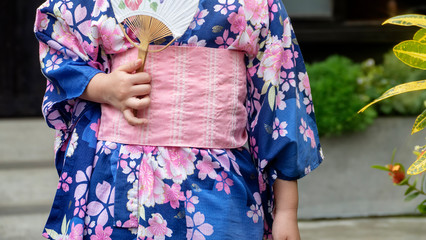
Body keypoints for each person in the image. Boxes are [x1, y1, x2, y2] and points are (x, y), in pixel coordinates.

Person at [34, 0, 323, 239]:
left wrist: (286, 211)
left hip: (219, 177)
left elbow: (280, 99)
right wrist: (105, 88)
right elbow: (61, 48)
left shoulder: (255, 4)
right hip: (121, 175)